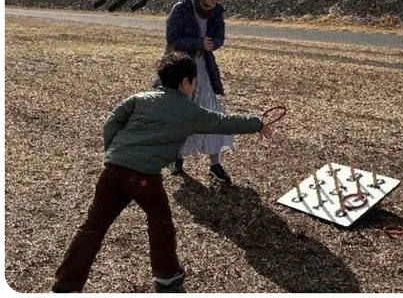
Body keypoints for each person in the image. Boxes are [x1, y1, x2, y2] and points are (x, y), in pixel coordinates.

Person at [52, 53, 271, 293]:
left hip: (113, 169)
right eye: (193, 82)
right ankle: (166, 276)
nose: (194, 86)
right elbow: (223, 122)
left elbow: (111, 123)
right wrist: (257, 123)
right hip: (145, 177)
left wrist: (114, 153)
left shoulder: (140, 98)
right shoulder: (191, 112)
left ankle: (65, 286)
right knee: (161, 223)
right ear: (186, 83)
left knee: (93, 226)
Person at [162, 0, 235, 184]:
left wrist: (214, 43)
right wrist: (199, 43)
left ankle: (215, 163)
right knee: (180, 116)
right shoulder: (181, 8)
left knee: (212, 115)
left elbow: (220, 36)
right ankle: (176, 156)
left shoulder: (217, 11)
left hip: (204, 71)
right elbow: (173, 39)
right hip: (180, 71)